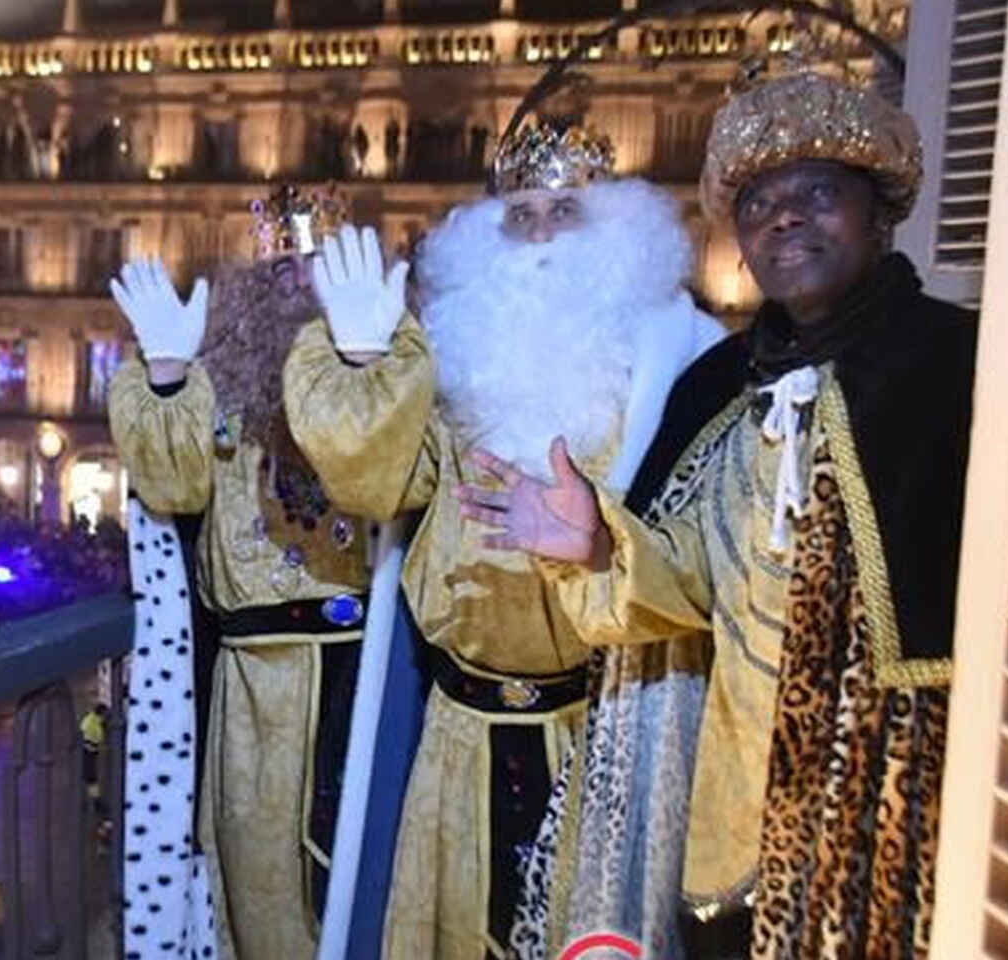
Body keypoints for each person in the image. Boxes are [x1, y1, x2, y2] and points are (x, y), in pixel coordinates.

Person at [457, 60, 970, 959]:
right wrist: (595, 551)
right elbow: (683, 589)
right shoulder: (718, 387)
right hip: (729, 820)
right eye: (761, 202)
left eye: (818, 192)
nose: (784, 218)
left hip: (899, 811)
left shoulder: (961, 368)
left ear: (881, 212)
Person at [282, 120, 722, 959]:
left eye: (565, 210)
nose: (544, 236)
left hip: (587, 742)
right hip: (451, 736)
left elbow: (697, 569)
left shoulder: (683, 366)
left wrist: (597, 546)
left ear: (616, 227)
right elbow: (376, 483)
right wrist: (362, 363)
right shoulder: (452, 361)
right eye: (522, 216)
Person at [109, 185, 383, 959]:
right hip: (249, 686)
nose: (298, 285)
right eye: (283, 270)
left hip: (357, 679)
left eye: (316, 269)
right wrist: (166, 376)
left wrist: (366, 370)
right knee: (258, 900)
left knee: (359, 893)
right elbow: (174, 487)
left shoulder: (381, 377)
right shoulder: (217, 387)